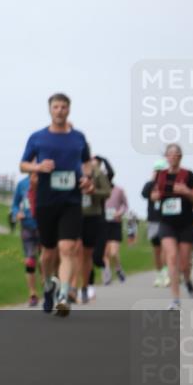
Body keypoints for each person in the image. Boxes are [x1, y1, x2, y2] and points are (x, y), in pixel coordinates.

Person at [20, 93, 93, 317]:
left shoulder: (79, 138)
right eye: (56, 107)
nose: (60, 111)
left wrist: (87, 179)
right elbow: (23, 165)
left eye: (63, 107)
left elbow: (87, 163)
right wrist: (38, 167)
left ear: (69, 110)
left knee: (68, 248)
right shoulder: (37, 137)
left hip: (71, 201)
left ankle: (63, 295)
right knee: (49, 252)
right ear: (50, 110)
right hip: (46, 201)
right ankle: (48, 286)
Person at [149, 144, 193, 309]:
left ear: (180, 156)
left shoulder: (188, 175)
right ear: (166, 157)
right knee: (171, 258)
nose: (173, 157)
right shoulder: (161, 176)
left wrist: (186, 192)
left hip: (185, 224)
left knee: (184, 264)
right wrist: (155, 196)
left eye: (176, 154)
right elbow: (154, 194)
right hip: (167, 223)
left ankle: (187, 279)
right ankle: (175, 299)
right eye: (169, 154)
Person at [76, 155, 111, 303]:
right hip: (72, 215)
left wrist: (93, 191)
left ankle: (85, 286)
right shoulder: (71, 167)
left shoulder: (97, 172)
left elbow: (107, 192)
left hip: (92, 216)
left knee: (86, 254)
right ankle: (70, 287)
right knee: (72, 250)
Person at [11, 174, 41, 307]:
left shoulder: (47, 181)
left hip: (44, 226)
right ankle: (32, 294)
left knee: (45, 259)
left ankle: (48, 286)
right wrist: (17, 213)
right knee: (30, 260)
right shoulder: (22, 184)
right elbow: (15, 205)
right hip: (27, 226)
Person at [143, 160, 170, 287]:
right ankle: (158, 275)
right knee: (157, 250)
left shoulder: (168, 184)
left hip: (165, 221)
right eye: (157, 171)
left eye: (161, 171)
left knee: (165, 249)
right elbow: (143, 194)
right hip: (153, 221)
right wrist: (153, 180)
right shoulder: (150, 184)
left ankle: (166, 273)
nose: (159, 174)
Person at [102, 169, 128, 285]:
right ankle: (107, 274)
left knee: (113, 252)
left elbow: (125, 205)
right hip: (103, 223)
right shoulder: (100, 190)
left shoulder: (119, 190)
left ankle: (118, 268)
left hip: (115, 223)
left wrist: (120, 213)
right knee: (105, 252)